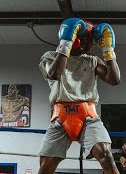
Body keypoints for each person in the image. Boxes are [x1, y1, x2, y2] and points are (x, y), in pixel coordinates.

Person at [38, 18, 121, 174]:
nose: (84, 43)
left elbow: (114, 80)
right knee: (45, 167)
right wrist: (66, 44)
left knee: (106, 155)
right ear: (70, 37)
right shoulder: (49, 56)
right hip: (60, 119)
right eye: (81, 38)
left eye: (88, 39)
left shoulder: (92, 61)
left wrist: (108, 51)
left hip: (88, 116)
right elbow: (54, 74)